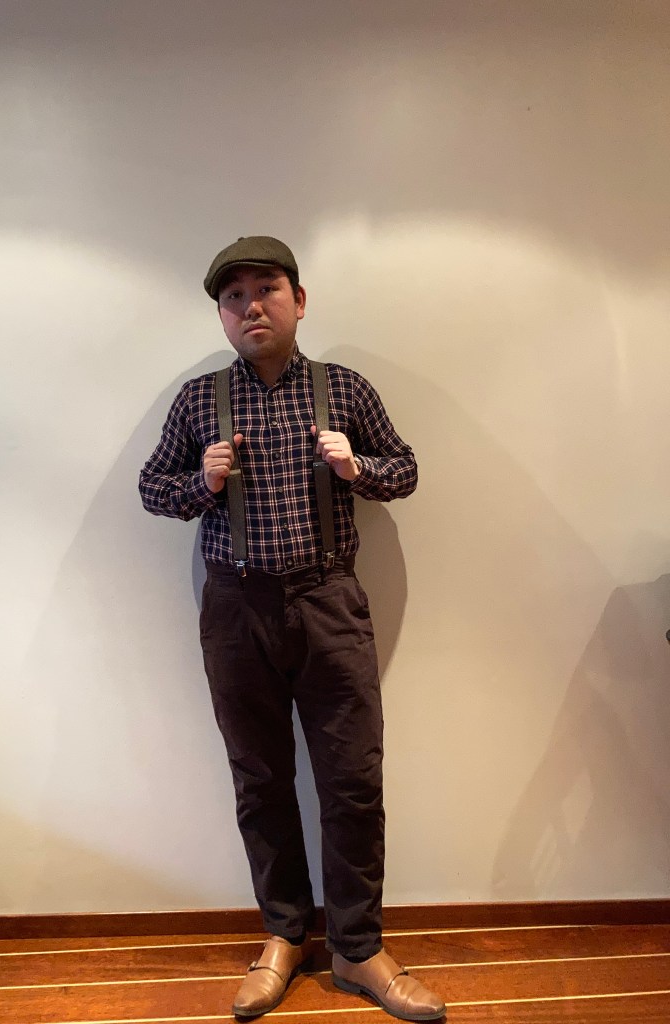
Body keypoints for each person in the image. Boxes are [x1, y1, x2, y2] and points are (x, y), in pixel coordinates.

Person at [139, 236, 445, 1022]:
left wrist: (356, 469)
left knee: (352, 781)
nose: (251, 306)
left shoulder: (344, 390)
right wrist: (201, 484)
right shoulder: (199, 401)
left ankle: (357, 947)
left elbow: (406, 469)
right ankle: (283, 935)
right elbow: (152, 488)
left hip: (329, 602)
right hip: (236, 609)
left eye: (267, 288)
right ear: (222, 315)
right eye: (234, 296)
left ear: (299, 301)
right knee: (261, 779)